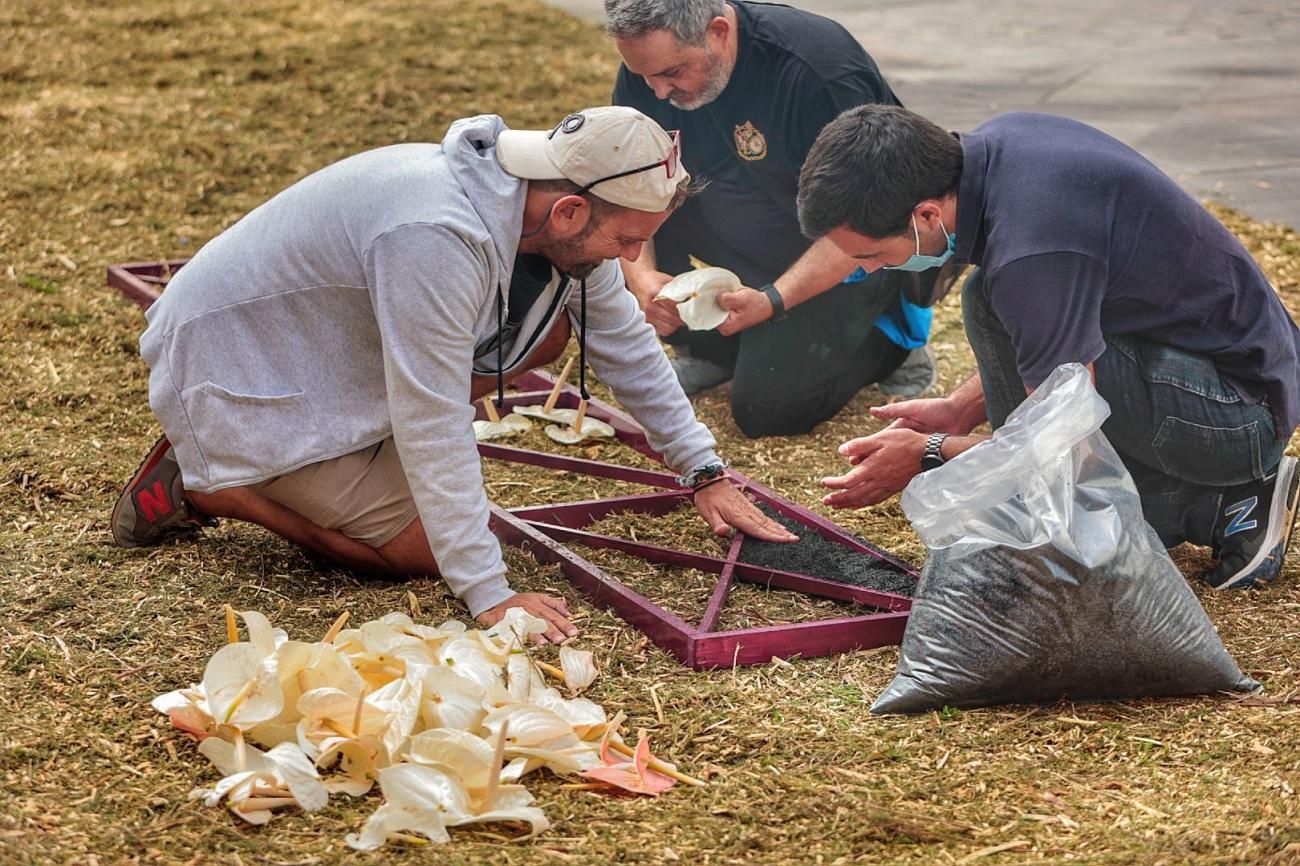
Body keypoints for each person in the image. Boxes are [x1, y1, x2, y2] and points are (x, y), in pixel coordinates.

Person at [111, 105, 798, 643]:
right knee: (426, 552)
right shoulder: (434, 234)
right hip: (244, 374)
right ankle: (214, 482)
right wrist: (489, 595)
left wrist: (702, 471)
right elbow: (432, 413)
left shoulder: (542, 209)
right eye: (627, 240)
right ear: (568, 210)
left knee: (554, 332)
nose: (636, 255)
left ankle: (289, 458)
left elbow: (627, 346)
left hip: (325, 354)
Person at [796, 104, 1300, 589]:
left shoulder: (1032, 251)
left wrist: (933, 453)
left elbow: (1066, 441)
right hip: (1227, 366)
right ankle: (1195, 498)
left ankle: (1224, 501)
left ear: (926, 215)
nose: (865, 270)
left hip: (1239, 415)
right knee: (985, 297)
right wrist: (959, 409)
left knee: (1071, 505)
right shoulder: (1002, 147)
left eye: (872, 254)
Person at [604, 0, 943, 438]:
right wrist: (644, 280)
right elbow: (626, 183)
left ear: (719, 31)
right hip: (733, 223)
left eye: (672, 73)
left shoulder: (819, 71)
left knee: (767, 412)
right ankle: (717, 349)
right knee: (618, 229)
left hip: (836, 249)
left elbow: (869, 222)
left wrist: (774, 299)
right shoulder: (652, 72)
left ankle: (888, 346)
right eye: (642, 75)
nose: (658, 92)